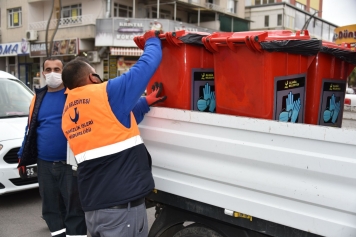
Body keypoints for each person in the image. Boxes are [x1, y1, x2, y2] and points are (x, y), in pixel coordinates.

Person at [61, 30, 163, 237]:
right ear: (92, 76)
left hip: (94, 208)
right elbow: (146, 66)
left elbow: (113, 123)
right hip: (120, 210)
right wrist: (152, 40)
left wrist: (145, 103)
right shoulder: (105, 93)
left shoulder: (69, 111)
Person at [17, 57, 87, 237]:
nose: (52, 73)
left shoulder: (74, 95)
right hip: (45, 165)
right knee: (51, 209)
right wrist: (22, 155)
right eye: (48, 70)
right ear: (42, 73)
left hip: (70, 164)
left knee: (75, 209)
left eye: (57, 69)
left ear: (63, 72)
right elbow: (30, 128)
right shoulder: (37, 98)